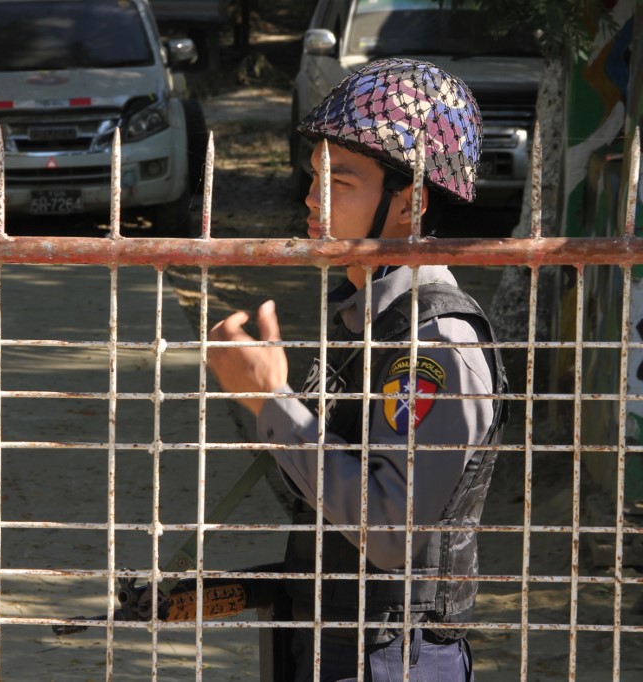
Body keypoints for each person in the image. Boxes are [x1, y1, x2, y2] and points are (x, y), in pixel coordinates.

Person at [208, 58, 508, 681]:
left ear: (410, 203)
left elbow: (394, 531)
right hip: (336, 638)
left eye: (339, 182)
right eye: (314, 177)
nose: (312, 198)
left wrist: (271, 401)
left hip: (393, 654)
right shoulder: (369, 321)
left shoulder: (437, 342)